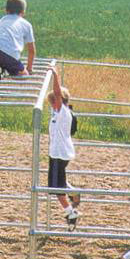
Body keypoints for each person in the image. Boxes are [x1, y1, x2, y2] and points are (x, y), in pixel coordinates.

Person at [46, 67, 80, 227]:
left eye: (52, 102)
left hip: (59, 154)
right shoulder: (58, 114)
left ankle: (70, 212)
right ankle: (73, 192)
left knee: (56, 188)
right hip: (59, 153)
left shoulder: (63, 112)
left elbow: (58, 94)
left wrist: (55, 75)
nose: (52, 105)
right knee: (57, 182)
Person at [0, 0, 36, 79]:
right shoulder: (26, 24)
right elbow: (31, 50)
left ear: (6, 10)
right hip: (10, 54)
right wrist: (29, 68)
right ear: (23, 12)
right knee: (24, 76)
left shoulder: (2, 20)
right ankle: (4, 70)